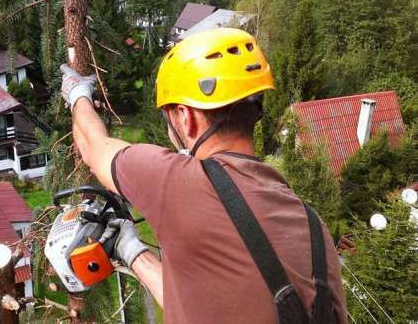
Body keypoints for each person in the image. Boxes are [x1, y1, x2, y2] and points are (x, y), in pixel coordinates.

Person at [60, 28, 348, 323]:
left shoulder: (177, 182)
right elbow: (192, 303)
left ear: (186, 117)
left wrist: (77, 93)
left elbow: (92, 147)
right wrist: (133, 252)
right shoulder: (313, 228)